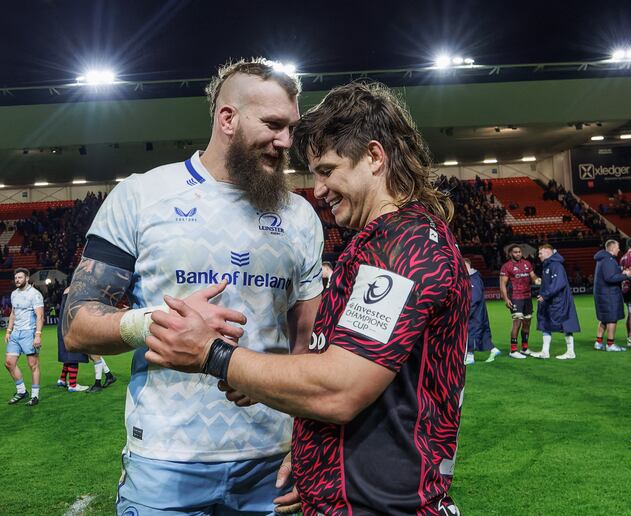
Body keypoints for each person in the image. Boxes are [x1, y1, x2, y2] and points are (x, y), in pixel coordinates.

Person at [144, 81, 468, 514]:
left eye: (328, 170)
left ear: (375, 157)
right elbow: (344, 368)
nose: (318, 189)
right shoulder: (383, 241)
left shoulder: (405, 246)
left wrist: (212, 354)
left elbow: (340, 389)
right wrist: (306, 440)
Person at [62, 58, 324, 513]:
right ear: (228, 119)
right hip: (165, 458)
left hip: (272, 462)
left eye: (290, 128)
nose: (286, 141)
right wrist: (156, 323)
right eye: (273, 125)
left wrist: (297, 427)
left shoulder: (300, 216)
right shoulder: (142, 196)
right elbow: (76, 324)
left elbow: (308, 344)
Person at [530, 244, 580, 360]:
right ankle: (545, 352)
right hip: (551, 301)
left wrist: (545, 295)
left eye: (540, 253)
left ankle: (570, 352)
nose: (539, 255)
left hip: (559, 301)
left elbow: (559, 283)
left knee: (566, 324)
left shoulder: (556, 265)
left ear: (548, 252)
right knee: (545, 323)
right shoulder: (548, 265)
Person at [5, 268, 44, 405]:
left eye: (20, 277)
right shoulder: (14, 294)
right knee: (9, 363)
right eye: (16, 278)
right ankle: (21, 391)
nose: (17, 280)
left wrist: (37, 335)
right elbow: (13, 313)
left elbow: (40, 316)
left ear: (27, 278)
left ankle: (35, 396)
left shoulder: (35, 294)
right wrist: (9, 330)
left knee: (33, 365)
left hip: (29, 333)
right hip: (16, 333)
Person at [593, 240, 631, 352]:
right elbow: (610, 278)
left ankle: (598, 342)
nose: (619, 249)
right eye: (617, 247)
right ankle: (610, 344)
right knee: (612, 318)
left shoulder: (603, 259)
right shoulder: (608, 260)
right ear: (612, 248)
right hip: (609, 294)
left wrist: (619, 271)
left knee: (604, 318)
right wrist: (626, 275)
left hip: (603, 293)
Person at [499, 245, 538, 359]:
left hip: (527, 297)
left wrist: (537, 280)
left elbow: (533, 276)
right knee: (517, 322)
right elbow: (502, 284)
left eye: (519, 252)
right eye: (515, 252)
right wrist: (506, 299)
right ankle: (513, 350)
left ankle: (524, 348)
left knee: (527, 322)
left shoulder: (527, 263)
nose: (518, 254)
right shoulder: (506, 266)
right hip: (515, 297)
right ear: (510, 254)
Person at [465, 257, 500, 364]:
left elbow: (474, 298)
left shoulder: (473, 278)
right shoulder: (474, 277)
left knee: (472, 332)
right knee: (483, 333)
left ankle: (470, 356)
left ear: (466, 265)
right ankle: (493, 350)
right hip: (479, 312)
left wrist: (467, 313)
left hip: (475, 313)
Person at [56, 286, 90, 392]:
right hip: (72, 326)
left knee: (68, 355)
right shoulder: (78, 290)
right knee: (74, 356)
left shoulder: (66, 290)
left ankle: (62, 379)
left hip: (63, 325)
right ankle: (72, 385)